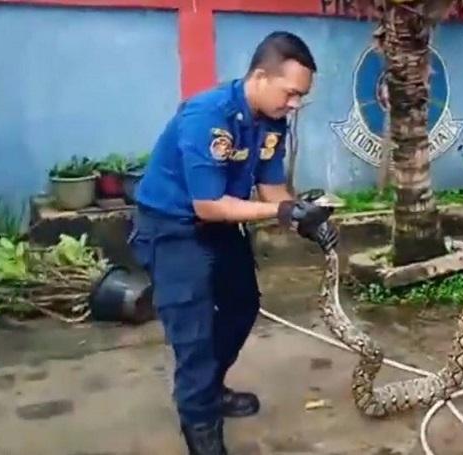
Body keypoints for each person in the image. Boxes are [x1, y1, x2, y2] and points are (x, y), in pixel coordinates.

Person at [128, 31, 338, 455]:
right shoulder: (207, 116)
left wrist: (304, 219)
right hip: (172, 228)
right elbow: (207, 204)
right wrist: (281, 211)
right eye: (291, 92)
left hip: (221, 226)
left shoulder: (272, 120)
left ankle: (208, 388)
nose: (295, 104)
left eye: (301, 97)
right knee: (194, 335)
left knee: (242, 306)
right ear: (260, 77)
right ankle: (201, 427)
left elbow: (272, 189)